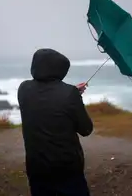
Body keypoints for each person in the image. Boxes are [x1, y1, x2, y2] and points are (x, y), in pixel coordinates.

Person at [17, 48, 94, 196]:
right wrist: (75, 97)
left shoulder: (23, 88)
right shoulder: (69, 94)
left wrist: (72, 94)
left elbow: (47, 99)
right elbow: (86, 129)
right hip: (66, 167)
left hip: (36, 165)